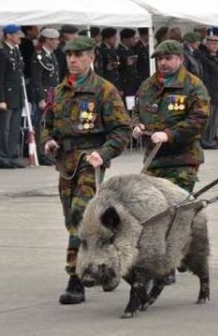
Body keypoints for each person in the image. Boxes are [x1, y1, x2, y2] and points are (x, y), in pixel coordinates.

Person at [41, 36, 131, 305]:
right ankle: (112, 264)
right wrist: (48, 141)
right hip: (65, 164)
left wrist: (102, 154)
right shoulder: (59, 91)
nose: (72, 60)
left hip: (89, 164)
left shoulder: (104, 90)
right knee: (72, 220)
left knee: (81, 216)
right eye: (69, 55)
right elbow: (45, 123)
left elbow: (121, 130)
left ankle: (76, 277)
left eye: (78, 55)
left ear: (91, 57)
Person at [132, 40, 209, 193]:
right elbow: (137, 109)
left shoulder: (193, 85)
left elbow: (199, 120)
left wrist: (169, 135)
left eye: (168, 58)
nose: (162, 63)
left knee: (174, 208)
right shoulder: (147, 85)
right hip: (154, 159)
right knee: (151, 209)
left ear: (180, 59)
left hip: (182, 160)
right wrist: (136, 124)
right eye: (159, 59)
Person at [0, 24, 26, 169]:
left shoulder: (15, 51)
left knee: (14, 128)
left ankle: (11, 155)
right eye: (17, 34)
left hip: (16, 95)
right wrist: (0, 99)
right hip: (7, 95)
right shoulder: (3, 53)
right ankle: (2, 157)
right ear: (9, 36)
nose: (20, 37)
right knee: (4, 128)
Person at [30, 28, 61, 165]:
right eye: (55, 40)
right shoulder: (39, 56)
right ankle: (42, 154)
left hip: (52, 94)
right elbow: (36, 80)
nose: (57, 42)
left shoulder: (51, 55)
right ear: (48, 40)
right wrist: (41, 98)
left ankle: (50, 151)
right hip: (44, 95)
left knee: (50, 125)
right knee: (41, 125)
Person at [199, 34, 218, 149]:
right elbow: (205, 78)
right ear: (207, 44)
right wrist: (206, 93)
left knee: (214, 119)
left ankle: (211, 139)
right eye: (212, 43)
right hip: (210, 92)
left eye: (217, 44)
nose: (215, 46)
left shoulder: (217, 57)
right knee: (208, 118)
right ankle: (205, 140)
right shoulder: (205, 58)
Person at [117, 28, 139, 110]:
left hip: (132, 83)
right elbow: (117, 69)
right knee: (128, 107)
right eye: (132, 38)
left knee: (133, 106)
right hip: (125, 84)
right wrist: (126, 64)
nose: (134, 40)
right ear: (125, 39)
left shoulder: (131, 50)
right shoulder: (119, 51)